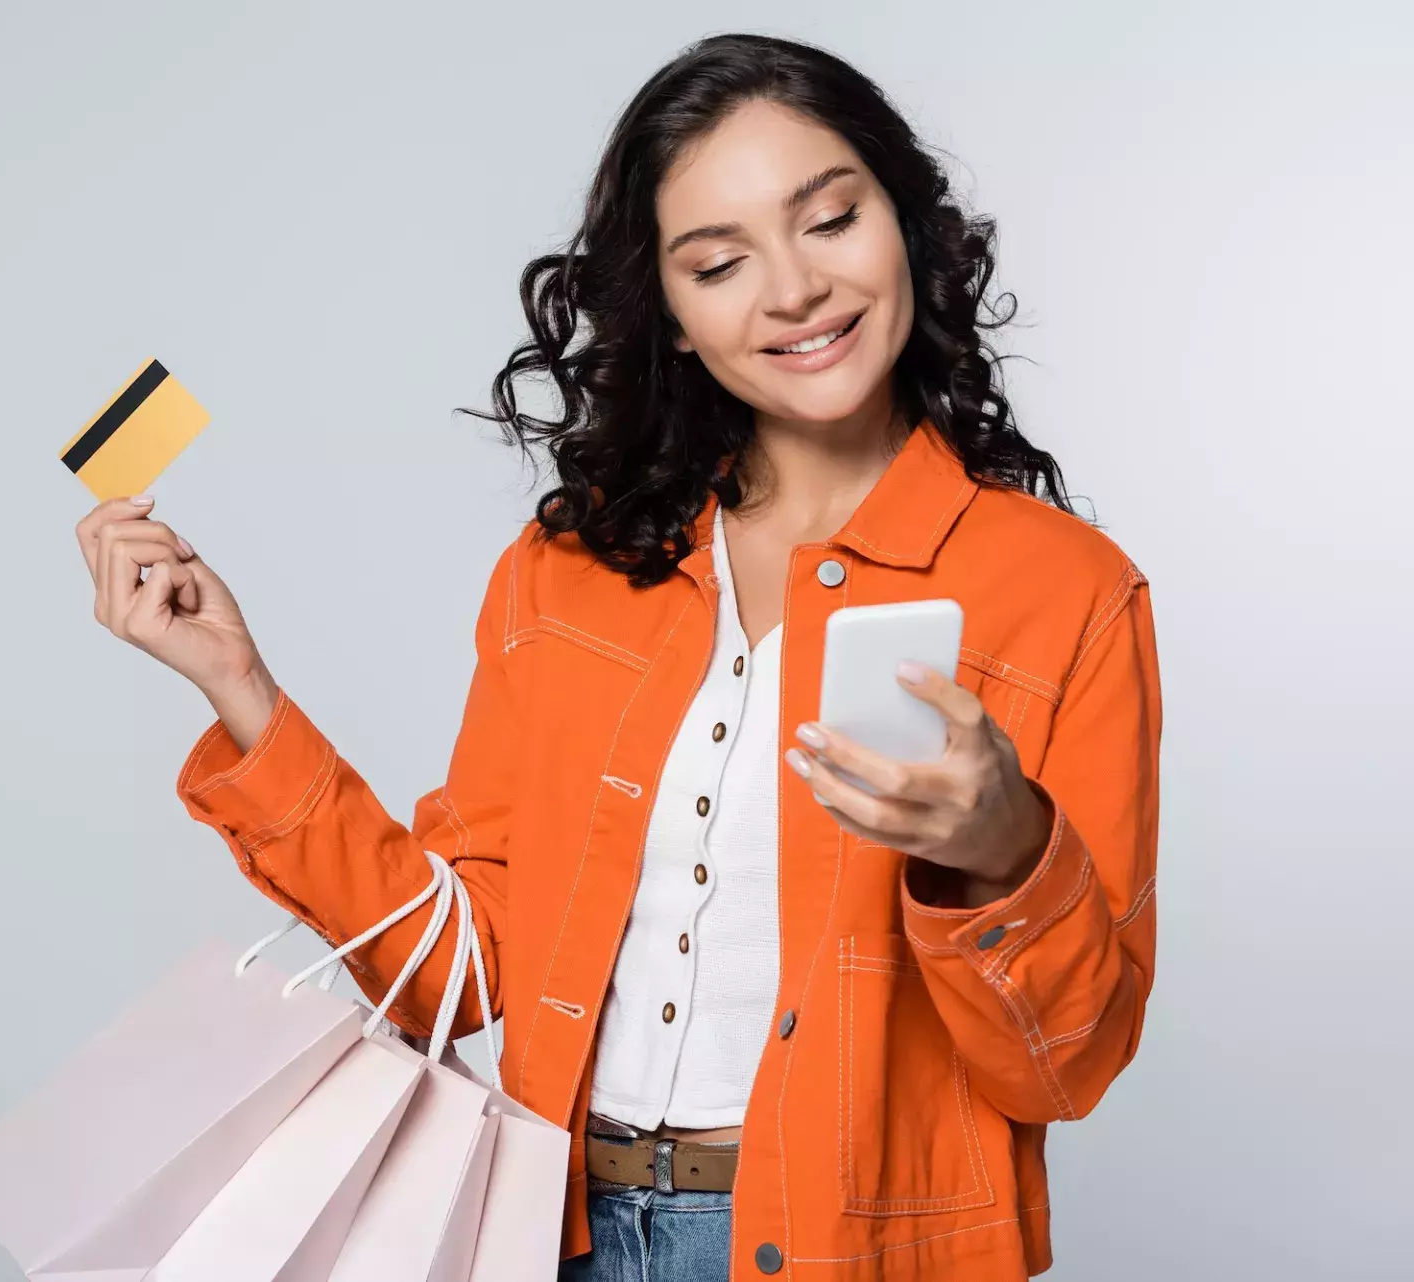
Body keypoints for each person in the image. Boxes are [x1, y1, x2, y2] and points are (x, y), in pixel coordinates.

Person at [73, 32, 1161, 1282]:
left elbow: (1065, 1066)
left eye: (830, 219)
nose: (794, 289)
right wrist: (242, 692)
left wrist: (1007, 849)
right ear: (675, 319)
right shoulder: (569, 572)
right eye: (719, 262)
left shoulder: (1066, 592)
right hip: (558, 1234)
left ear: (905, 226)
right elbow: (458, 972)